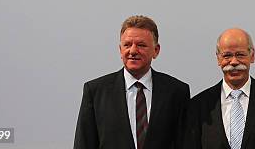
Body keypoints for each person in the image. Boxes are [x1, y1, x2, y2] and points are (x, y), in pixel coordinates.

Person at [74, 15, 190, 149]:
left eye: (141, 45)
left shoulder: (177, 92)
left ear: (156, 50)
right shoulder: (96, 92)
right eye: (127, 45)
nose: (133, 51)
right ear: (120, 50)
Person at [185, 28, 255, 149]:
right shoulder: (198, 105)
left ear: (252, 56)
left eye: (240, 54)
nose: (233, 62)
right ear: (218, 58)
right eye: (227, 55)